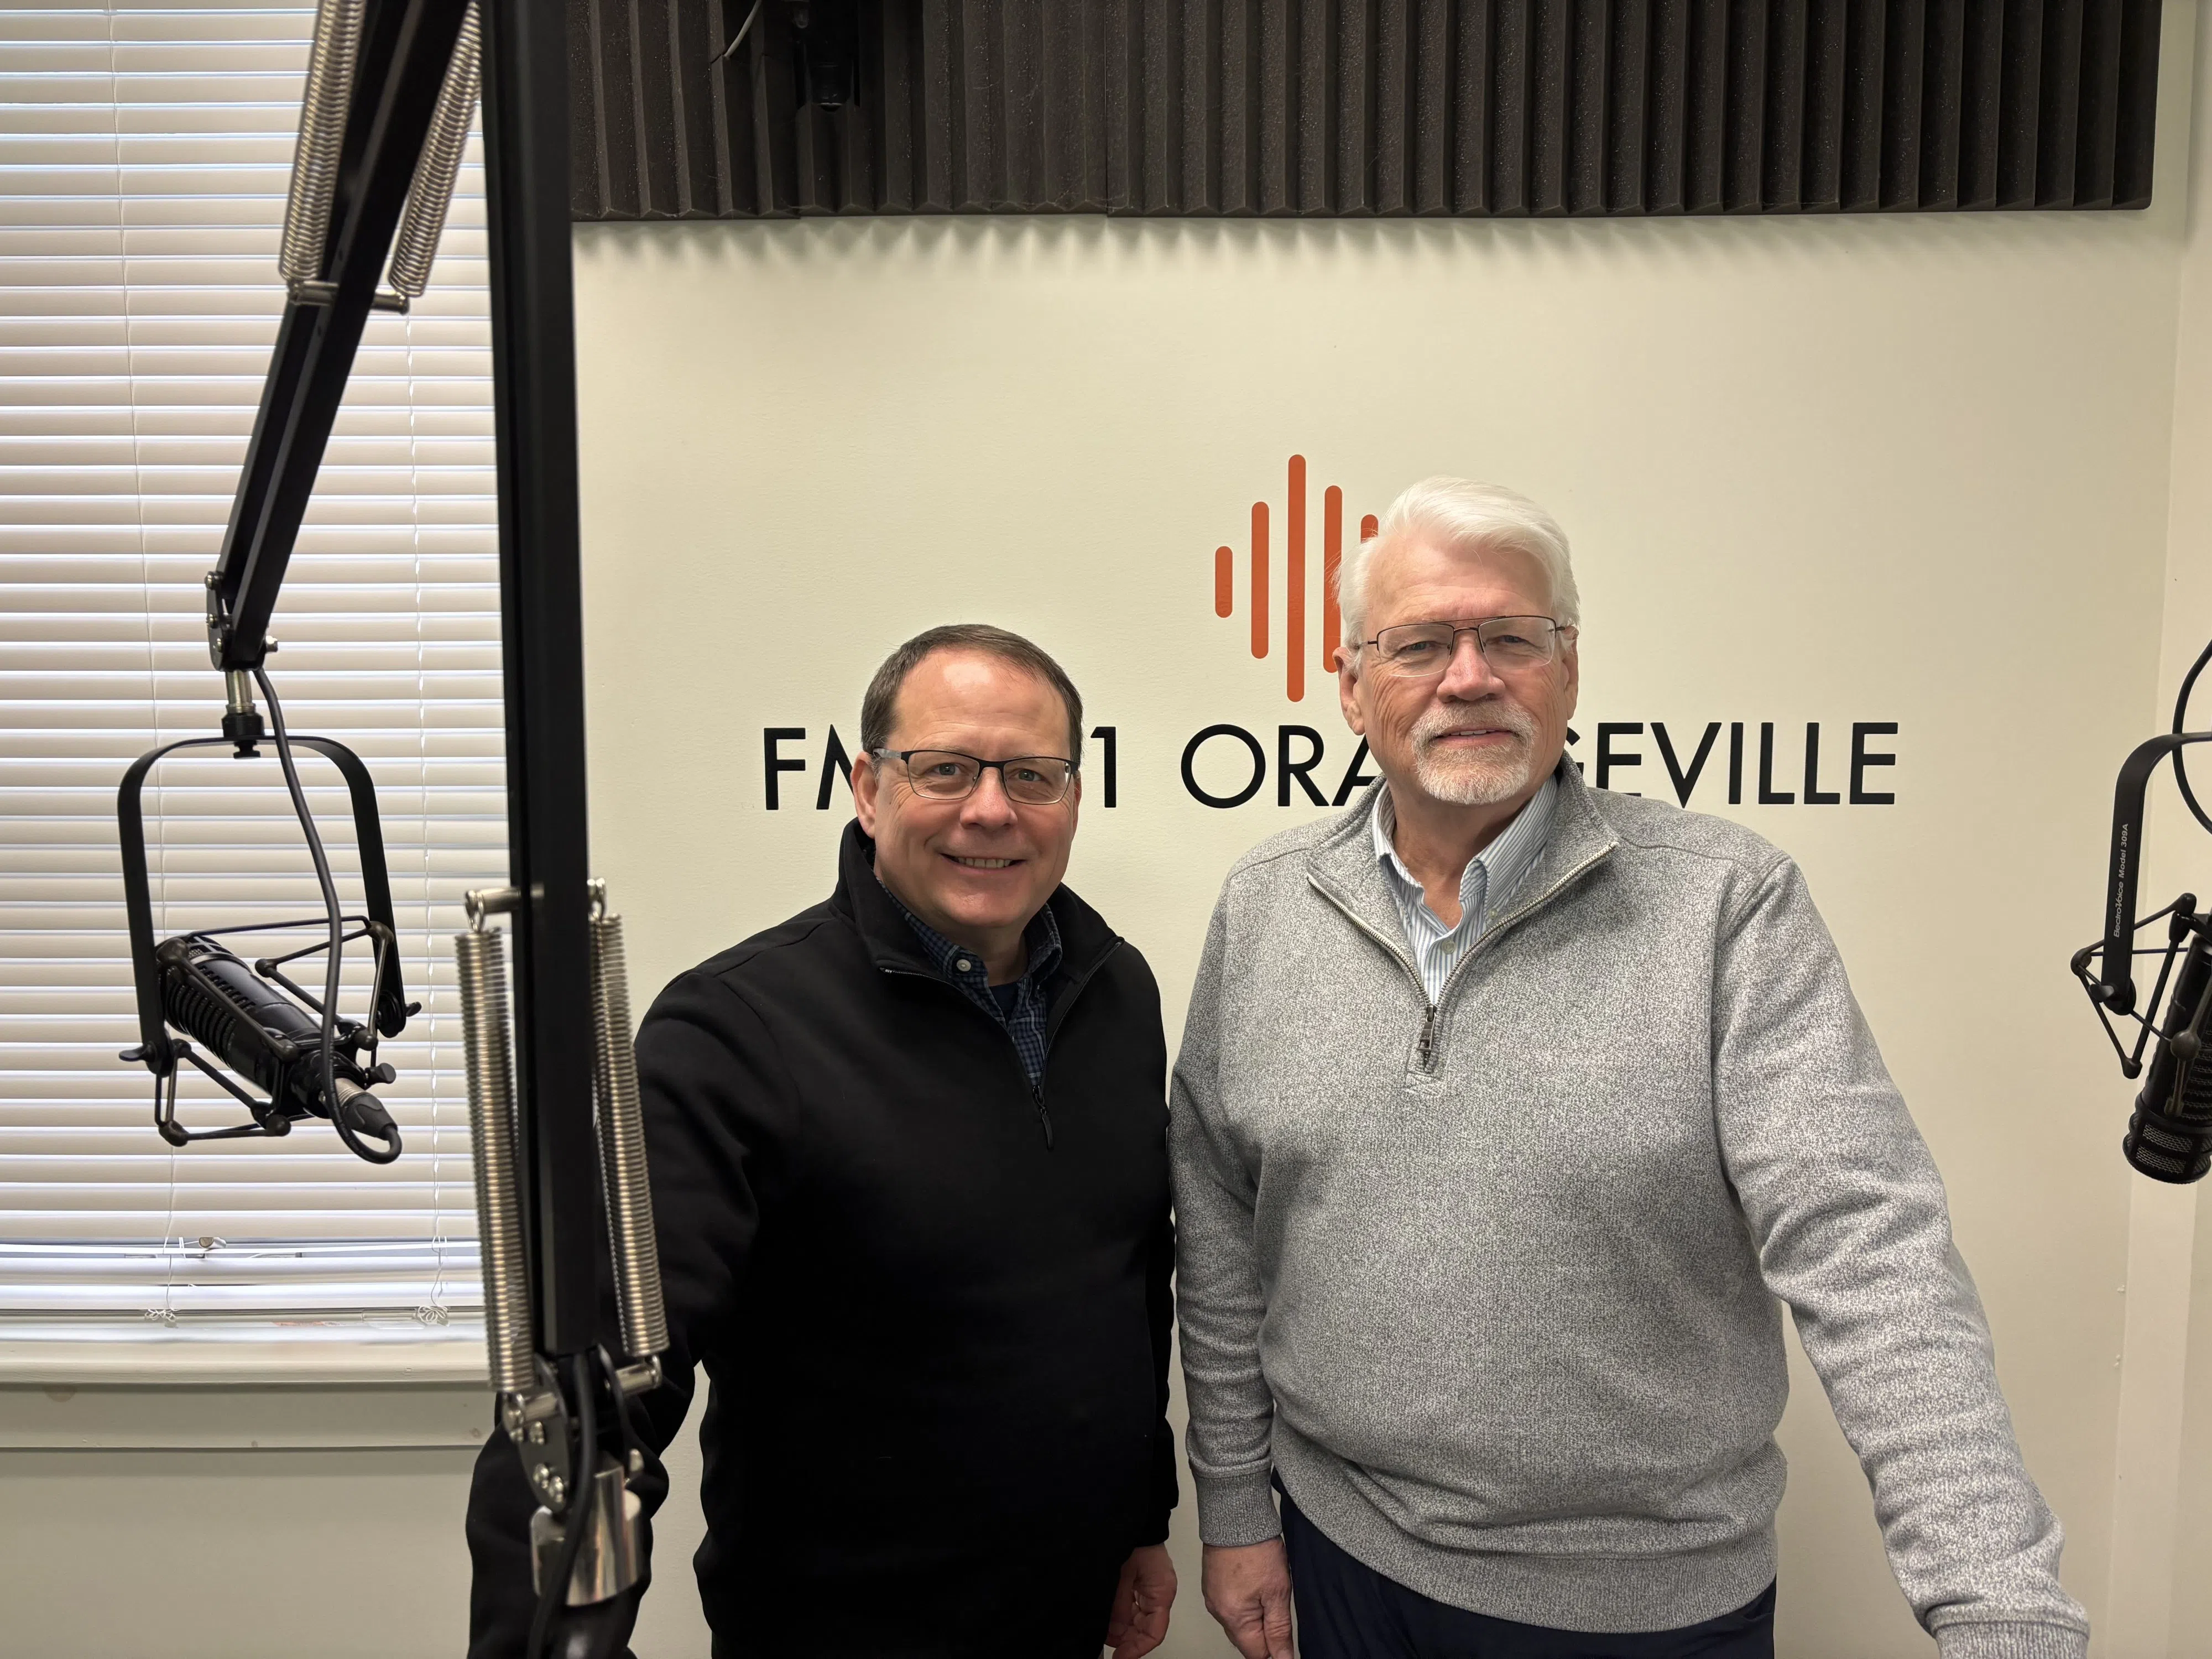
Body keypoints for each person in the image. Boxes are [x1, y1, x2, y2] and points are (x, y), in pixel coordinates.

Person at [1171, 478, 2088, 1659]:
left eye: (1512, 637)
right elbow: (1220, 1233)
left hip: (1648, 1608)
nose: (1469, 676)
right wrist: (1239, 1509)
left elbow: (1867, 1249)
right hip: (1342, 1559)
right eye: (1419, 644)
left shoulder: (1723, 903)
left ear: (1567, 665)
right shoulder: (1264, 906)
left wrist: (1996, 1603)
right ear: (1349, 686)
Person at [466, 624, 1178, 1658]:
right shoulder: (734, 1031)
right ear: (866, 786)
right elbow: (595, 1397)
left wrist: (1140, 1520)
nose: (992, 807)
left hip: (1064, 1614)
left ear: (1074, 794)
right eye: (945, 769)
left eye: (1032, 774)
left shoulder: (1116, 990)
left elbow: (1130, 1281)